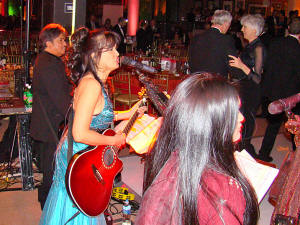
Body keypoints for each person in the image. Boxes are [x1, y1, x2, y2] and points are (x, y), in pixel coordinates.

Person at [39, 28, 146, 225]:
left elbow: (98, 114)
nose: (118, 55)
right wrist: (113, 139)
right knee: (75, 207)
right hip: (80, 158)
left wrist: (129, 113)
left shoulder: (97, 81)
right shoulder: (92, 85)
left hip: (84, 154)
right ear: (96, 55)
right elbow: (79, 133)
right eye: (112, 51)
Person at [135, 73, 259, 225]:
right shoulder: (224, 191)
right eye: (234, 112)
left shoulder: (174, 157)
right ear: (211, 122)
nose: (241, 118)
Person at [30, 23, 72, 210]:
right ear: (48, 42)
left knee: (51, 169)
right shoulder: (49, 64)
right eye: (62, 40)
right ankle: (48, 210)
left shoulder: (47, 61)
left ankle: (48, 207)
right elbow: (60, 99)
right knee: (51, 171)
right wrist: (75, 115)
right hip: (50, 127)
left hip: (48, 124)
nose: (65, 44)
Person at [258, 17, 300, 162]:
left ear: (288, 29)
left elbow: (268, 66)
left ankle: (263, 154)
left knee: (273, 126)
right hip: (291, 95)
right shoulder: (297, 48)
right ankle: (296, 158)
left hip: (274, 91)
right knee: (295, 127)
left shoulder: (275, 43)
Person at [228, 14, 266, 158]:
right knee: (241, 128)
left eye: (245, 27)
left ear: (254, 30)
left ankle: (248, 159)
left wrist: (241, 65)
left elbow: (257, 78)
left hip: (251, 91)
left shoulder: (259, 48)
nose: (242, 29)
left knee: (246, 129)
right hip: (243, 89)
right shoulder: (250, 45)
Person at [188, 10, 243, 79]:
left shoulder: (196, 38)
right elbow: (233, 67)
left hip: (196, 82)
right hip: (216, 85)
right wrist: (243, 75)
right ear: (226, 23)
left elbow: (190, 62)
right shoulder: (226, 40)